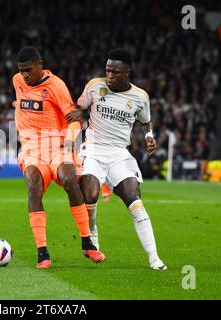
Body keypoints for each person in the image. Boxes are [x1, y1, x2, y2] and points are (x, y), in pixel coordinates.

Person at [66, 48, 167, 270]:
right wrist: (80, 114)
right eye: (107, 70)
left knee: (134, 200)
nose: (109, 76)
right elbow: (78, 107)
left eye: (115, 72)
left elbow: (146, 122)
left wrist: (149, 136)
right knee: (90, 195)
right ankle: (92, 239)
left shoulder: (140, 97)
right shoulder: (94, 86)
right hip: (93, 149)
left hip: (119, 153)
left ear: (127, 72)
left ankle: (153, 257)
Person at [12, 47, 105, 269]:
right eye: (21, 70)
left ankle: (86, 242)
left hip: (58, 144)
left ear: (40, 65)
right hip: (31, 147)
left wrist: (70, 140)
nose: (25, 75)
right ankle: (42, 252)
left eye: (29, 70)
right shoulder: (17, 80)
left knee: (69, 178)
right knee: (33, 186)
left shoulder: (56, 86)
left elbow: (74, 118)